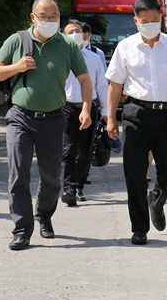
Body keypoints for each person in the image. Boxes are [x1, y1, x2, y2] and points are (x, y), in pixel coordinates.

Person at [0, 0, 93, 251]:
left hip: (54, 119)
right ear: (33, 18)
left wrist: (86, 109)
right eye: (44, 16)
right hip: (20, 118)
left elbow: (85, 79)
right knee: (18, 174)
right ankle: (22, 230)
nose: (49, 20)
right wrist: (17, 67)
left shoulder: (68, 45)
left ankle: (44, 216)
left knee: (52, 178)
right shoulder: (17, 40)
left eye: (54, 16)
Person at [105, 0, 167, 246]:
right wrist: (111, 118)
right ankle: (139, 227)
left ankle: (157, 199)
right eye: (145, 21)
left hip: (166, 115)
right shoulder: (126, 47)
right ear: (136, 21)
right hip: (136, 114)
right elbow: (115, 85)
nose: (151, 24)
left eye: (155, 19)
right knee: (135, 174)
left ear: (161, 18)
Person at [60, 19, 108, 205]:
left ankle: (79, 185)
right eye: (70, 32)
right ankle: (69, 189)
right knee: (68, 150)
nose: (75, 34)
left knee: (84, 151)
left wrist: (105, 110)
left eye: (78, 31)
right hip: (65, 109)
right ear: (63, 36)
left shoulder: (94, 58)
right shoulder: (59, 57)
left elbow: (101, 85)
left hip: (89, 109)